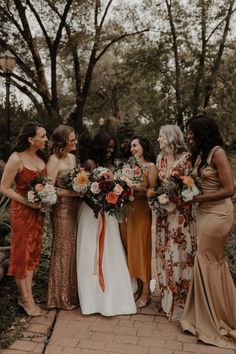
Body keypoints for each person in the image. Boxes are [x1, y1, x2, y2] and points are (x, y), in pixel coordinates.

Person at [180, 115, 236, 349]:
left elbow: (230, 189)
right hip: (203, 212)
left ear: (203, 132)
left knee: (208, 261)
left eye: (192, 132)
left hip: (218, 214)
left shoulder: (218, 153)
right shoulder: (201, 155)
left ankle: (218, 319)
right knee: (206, 261)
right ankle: (201, 315)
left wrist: (200, 197)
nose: (189, 136)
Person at [76, 131, 136, 316]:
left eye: (112, 147)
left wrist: (116, 200)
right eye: (107, 147)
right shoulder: (89, 164)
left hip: (108, 213)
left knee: (111, 249)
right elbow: (82, 190)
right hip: (91, 213)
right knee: (89, 250)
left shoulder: (115, 164)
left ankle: (112, 295)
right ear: (99, 146)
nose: (110, 150)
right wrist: (95, 206)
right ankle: (91, 298)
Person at [0, 121, 48, 316]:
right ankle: (24, 299)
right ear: (31, 139)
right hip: (21, 212)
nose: (46, 139)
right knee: (22, 253)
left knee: (33, 252)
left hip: (38, 212)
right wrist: (27, 202)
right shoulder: (16, 159)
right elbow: (4, 187)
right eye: (43, 136)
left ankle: (29, 296)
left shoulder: (41, 157)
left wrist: (45, 199)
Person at [155, 125, 196, 320]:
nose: (158, 140)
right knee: (165, 255)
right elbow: (157, 186)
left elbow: (191, 187)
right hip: (163, 215)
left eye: (161, 137)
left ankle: (181, 304)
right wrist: (157, 199)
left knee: (179, 254)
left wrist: (174, 200)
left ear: (171, 138)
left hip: (180, 216)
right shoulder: (160, 158)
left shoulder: (186, 158)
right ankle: (167, 300)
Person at [119, 136, 158, 309]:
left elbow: (153, 191)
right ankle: (138, 287)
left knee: (142, 249)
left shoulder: (150, 166)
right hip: (127, 211)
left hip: (142, 212)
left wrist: (137, 188)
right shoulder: (129, 167)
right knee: (130, 249)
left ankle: (146, 292)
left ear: (143, 146)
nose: (132, 148)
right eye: (131, 146)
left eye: (135, 145)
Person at [47, 125, 81, 310]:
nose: (75, 142)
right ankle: (58, 298)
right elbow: (50, 189)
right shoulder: (53, 161)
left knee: (71, 249)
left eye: (75, 139)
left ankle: (69, 294)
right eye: (72, 140)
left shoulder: (73, 158)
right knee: (62, 250)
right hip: (61, 211)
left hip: (75, 209)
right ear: (62, 142)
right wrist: (73, 193)